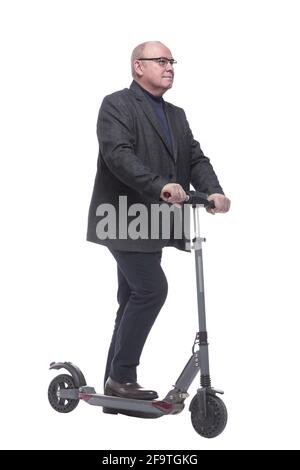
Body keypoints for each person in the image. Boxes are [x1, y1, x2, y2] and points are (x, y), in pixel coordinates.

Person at [87, 41, 230, 415]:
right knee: (151, 289)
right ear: (138, 66)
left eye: (172, 61)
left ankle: (114, 387)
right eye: (160, 60)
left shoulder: (177, 115)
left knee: (131, 299)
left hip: (154, 221)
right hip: (122, 216)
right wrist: (159, 185)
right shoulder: (116, 104)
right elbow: (118, 154)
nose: (169, 67)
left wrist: (213, 191)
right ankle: (121, 377)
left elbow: (195, 156)